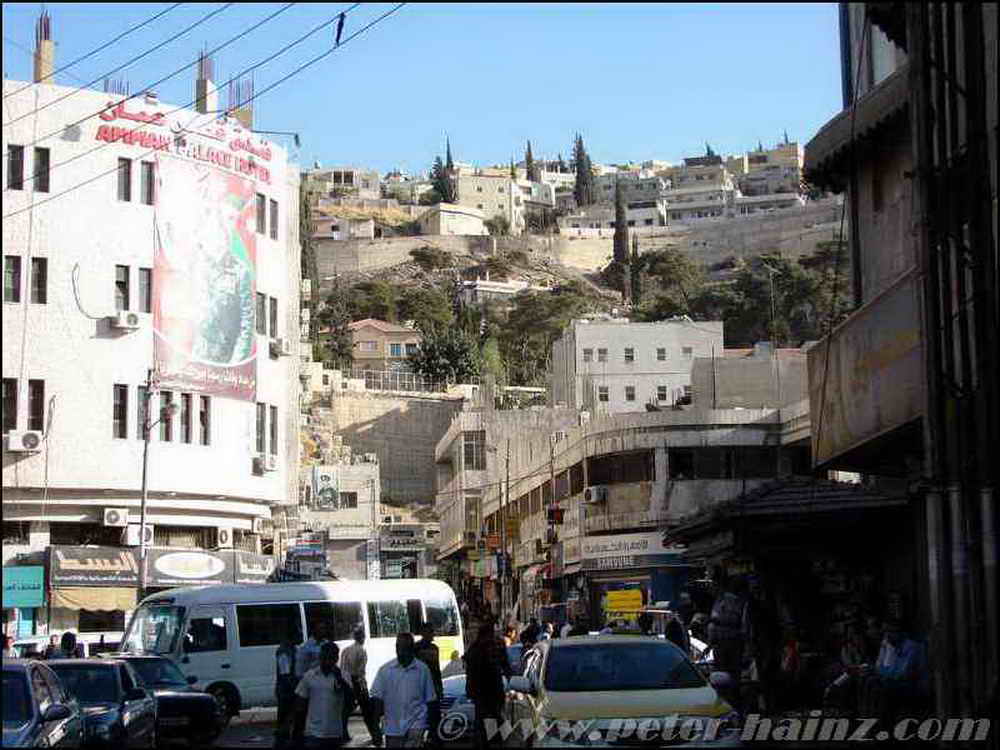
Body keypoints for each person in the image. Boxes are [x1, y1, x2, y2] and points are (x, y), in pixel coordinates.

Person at [371, 633, 438, 748]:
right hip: (393, 728)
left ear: (412, 649)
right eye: (399, 648)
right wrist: (375, 727)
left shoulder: (422, 670)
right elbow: (377, 699)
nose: (402, 652)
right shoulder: (385, 670)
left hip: (416, 726)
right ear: (396, 648)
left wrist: (433, 730)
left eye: (405, 648)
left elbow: (431, 700)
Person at [294, 642, 355, 749]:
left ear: (336, 659)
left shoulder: (344, 676)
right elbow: (300, 705)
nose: (327, 661)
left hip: (335, 733)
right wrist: (298, 732)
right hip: (313, 734)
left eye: (331, 658)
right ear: (320, 657)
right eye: (325, 657)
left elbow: (350, 701)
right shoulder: (310, 676)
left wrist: (340, 679)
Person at [464, 618, 512, 750]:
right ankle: (496, 741)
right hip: (488, 690)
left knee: (488, 720)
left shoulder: (478, 647)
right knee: (491, 719)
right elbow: (506, 666)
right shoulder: (488, 646)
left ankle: (494, 741)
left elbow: (470, 670)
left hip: (487, 690)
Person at [340, 627, 382, 748]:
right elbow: (360, 671)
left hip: (346, 681)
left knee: (345, 711)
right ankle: (376, 736)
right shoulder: (361, 651)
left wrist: (347, 684)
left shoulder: (346, 650)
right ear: (362, 637)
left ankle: (343, 734)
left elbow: (343, 668)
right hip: (357, 682)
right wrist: (363, 686)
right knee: (367, 711)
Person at [415, 623, 444, 749]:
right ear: (423, 633)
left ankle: (434, 738)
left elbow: (437, 669)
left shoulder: (434, 648)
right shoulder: (416, 648)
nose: (432, 634)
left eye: (432, 631)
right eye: (430, 632)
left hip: (433, 685)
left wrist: (439, 687)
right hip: (421, 686)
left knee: (434, 714)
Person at [274, 637, 298, 750]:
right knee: (285, 715)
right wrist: (295, 688)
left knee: (286, 716)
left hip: (285, 689)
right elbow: (285, 673)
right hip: (286, 690)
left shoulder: (290, 650)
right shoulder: (284, 652)